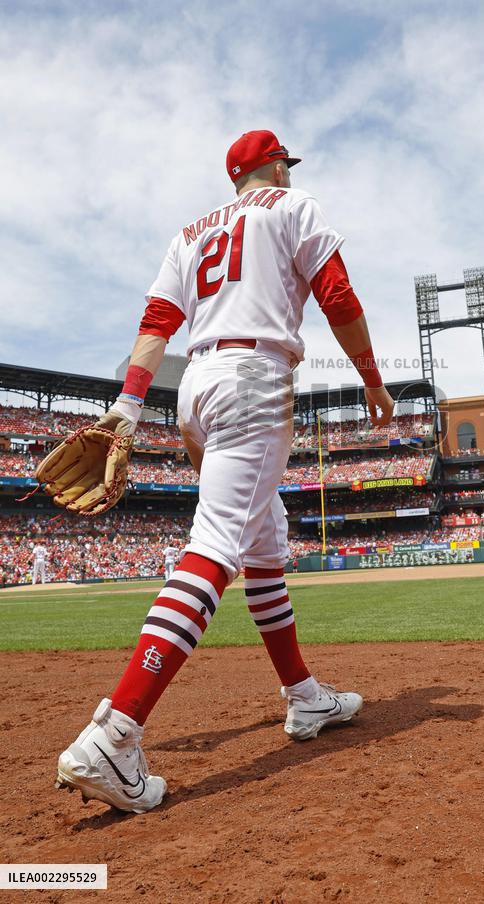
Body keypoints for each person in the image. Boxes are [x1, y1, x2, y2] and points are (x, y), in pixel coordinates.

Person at [56, 129, 394, 814]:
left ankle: (304, 698)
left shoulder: (190, 233)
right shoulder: (290, 208)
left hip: (195, 389)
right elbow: (337, 293)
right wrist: (371, 378)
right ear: (271, 165)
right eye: (284, 165)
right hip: (253, 380)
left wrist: (127, 404)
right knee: (216, 545)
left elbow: (158, 319)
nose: (290, 174)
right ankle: (114, 735)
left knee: (264, 533)